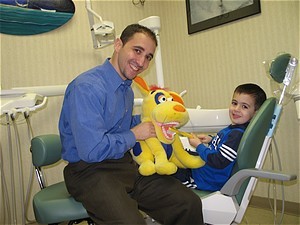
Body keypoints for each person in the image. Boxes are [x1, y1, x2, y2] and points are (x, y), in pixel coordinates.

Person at [59, 24, 204, 225]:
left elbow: (121, 125)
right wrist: (135, 134)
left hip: (125, 165)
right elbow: (91, 150)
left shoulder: (126, 89)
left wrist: (170, 129)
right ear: (118, 44)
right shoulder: (87, 88)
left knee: (188, 203)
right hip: (89, 172)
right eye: (137, 50)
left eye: (148, 57)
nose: (142, 62)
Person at [174, 83, 266, 191]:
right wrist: (210, 140)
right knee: (179, 153)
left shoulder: (237, 134)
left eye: (244, 106)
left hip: (204, 180)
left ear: (255, 113)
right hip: (205, 172)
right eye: (234, 103)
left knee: (173, 164)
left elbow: (219, 160)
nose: (236, 109)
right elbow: (226, 146)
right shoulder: (234, 130)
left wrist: (199, 146)